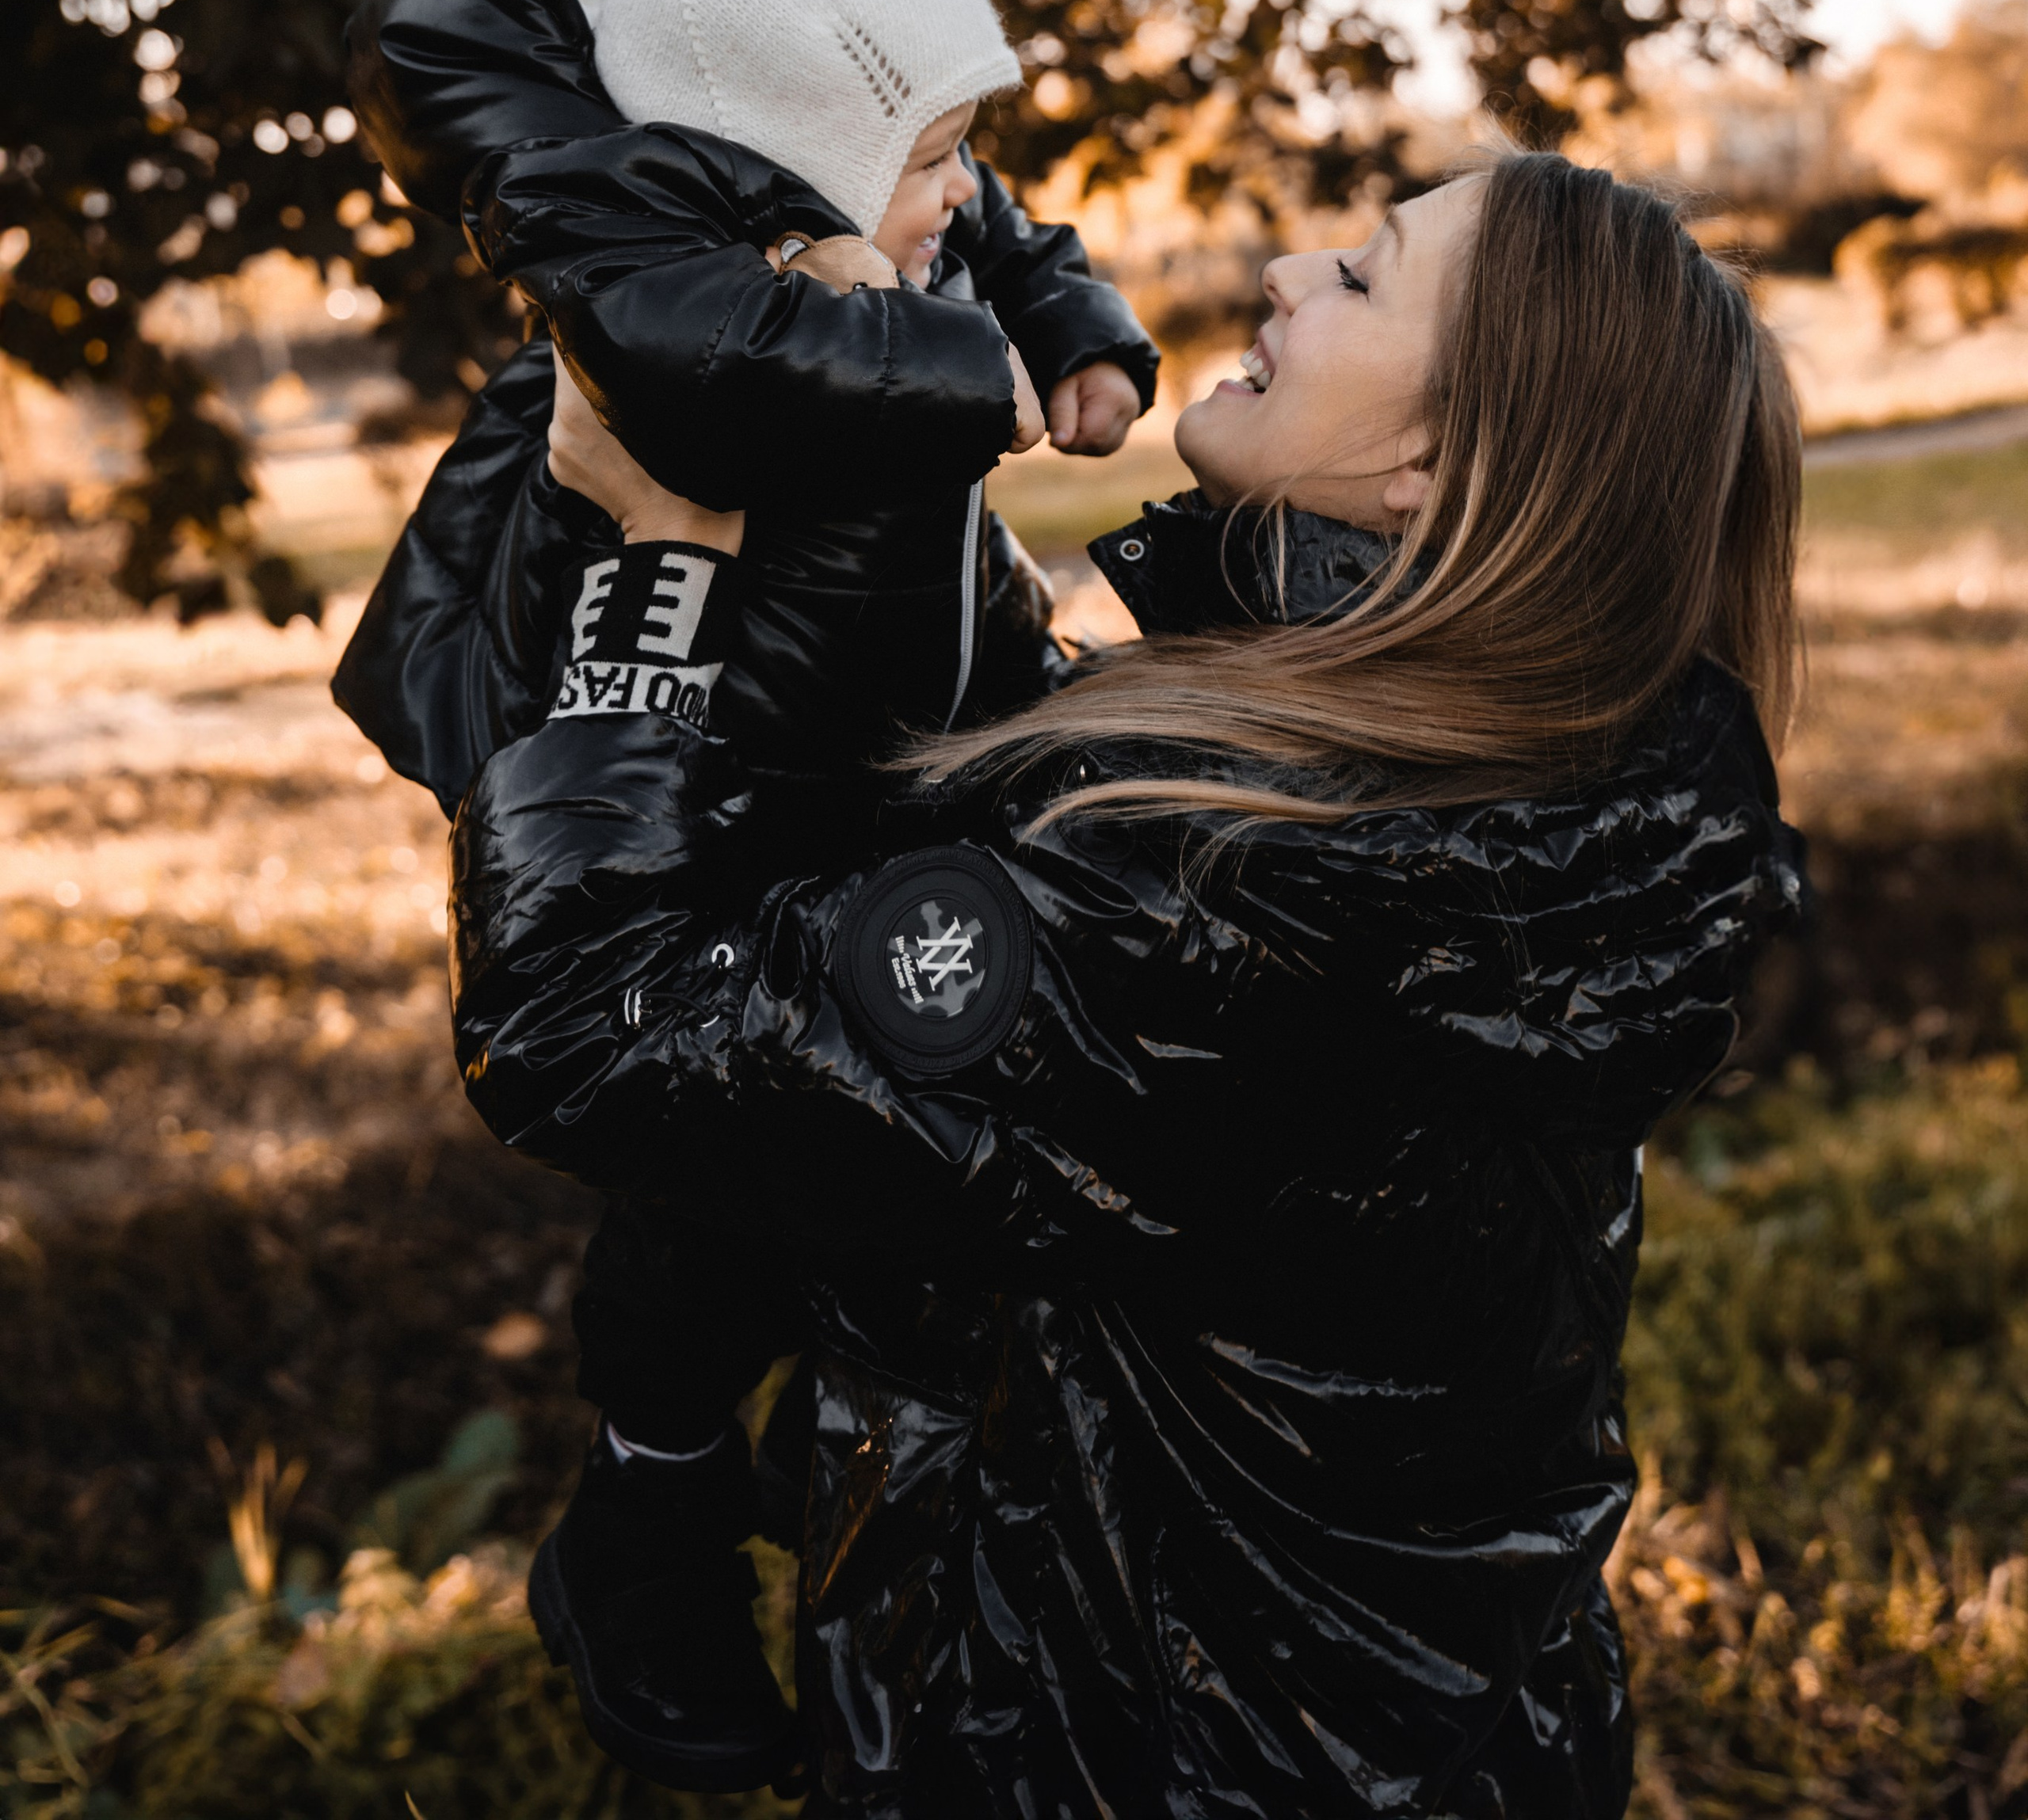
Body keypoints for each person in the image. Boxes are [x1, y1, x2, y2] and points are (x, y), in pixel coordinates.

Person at [449, 147, 1809, 1816]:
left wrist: (646, 576)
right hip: (1431, 1740)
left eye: (1363, 277)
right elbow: (1020, 780)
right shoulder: (1536, 794)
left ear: (1431, 465)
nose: (1289, 272)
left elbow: (593, 1035)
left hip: (1117, 1762)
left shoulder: (1232, 888)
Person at [332, 0, 1157, 1792]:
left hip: (888, 762)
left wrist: (1073, 327)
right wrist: (963, 370)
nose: (963, 200)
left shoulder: (876, 212)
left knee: (876, 1152)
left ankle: (831, 1461)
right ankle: (651, 1517)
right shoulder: (628, 238)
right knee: (704, 1196)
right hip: (719, 802)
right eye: (931, 161)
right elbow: (717, 350)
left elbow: (999, 229)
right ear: (785, 154)